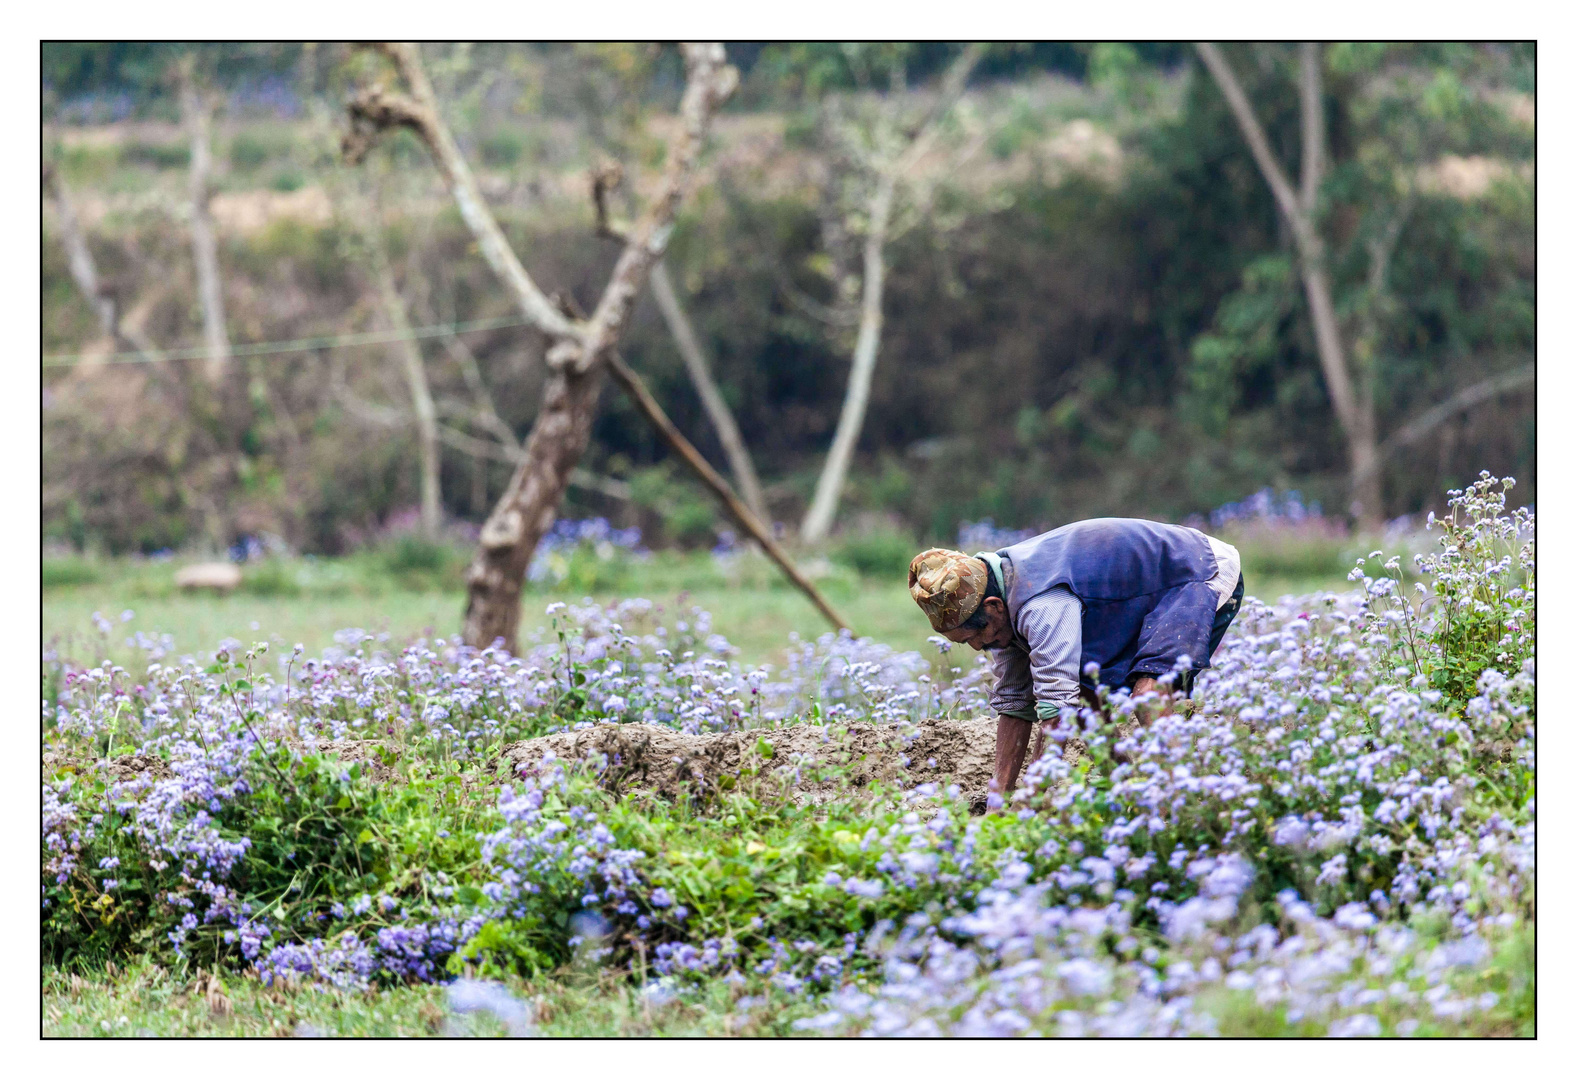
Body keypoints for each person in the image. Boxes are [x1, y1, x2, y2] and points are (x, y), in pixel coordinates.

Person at [908, 518, 1244, 801]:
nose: (978, 648)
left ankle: (1186, 803)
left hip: (1196, 572)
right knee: (1084, 691)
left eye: (974, 637)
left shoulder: (1039, 604)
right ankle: (1127, 792)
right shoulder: (999, 600)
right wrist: (999, 802)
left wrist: (1030, 801)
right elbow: (1015, 705)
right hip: (1141, 586)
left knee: (1148, 696)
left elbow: (1058, 711)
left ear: (994, 607)